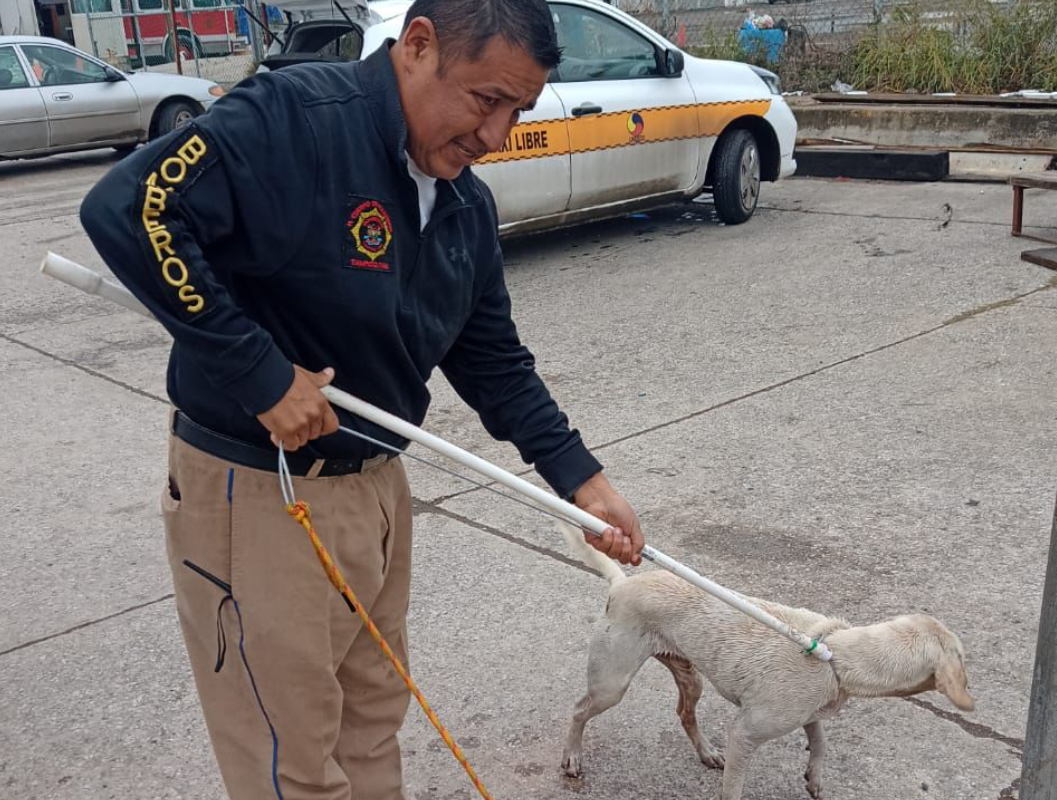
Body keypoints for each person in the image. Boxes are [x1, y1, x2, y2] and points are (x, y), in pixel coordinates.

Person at [79, 1, 645, 797]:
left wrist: (582, 482)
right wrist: (260, 373)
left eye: (519, 109)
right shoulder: (296, 120)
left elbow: (490, 359)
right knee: (292, 757)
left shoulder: (462, 203)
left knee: (372, 719)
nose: (498, 135)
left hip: (377, 490)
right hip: (263, 492)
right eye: (487, 100)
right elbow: (131, 209)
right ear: (418, 47)